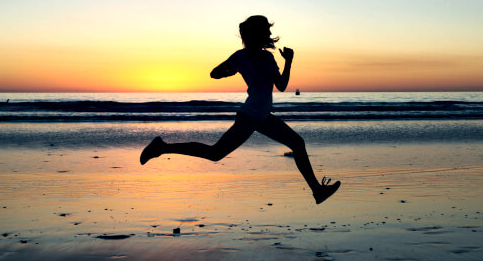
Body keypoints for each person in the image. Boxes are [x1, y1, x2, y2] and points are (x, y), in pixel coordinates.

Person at [140, 15, 340, 204]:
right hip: (251, 115)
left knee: (297, 143)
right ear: (257, 34)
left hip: (261, 116)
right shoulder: (242, 57)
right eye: (265, 32)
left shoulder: (264, 58)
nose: (268, 36)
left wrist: (288, 62)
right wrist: (232, 69)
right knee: (215, 153)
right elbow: (214, 74)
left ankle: (317, 190)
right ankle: (162, 147)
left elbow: (281, 86)